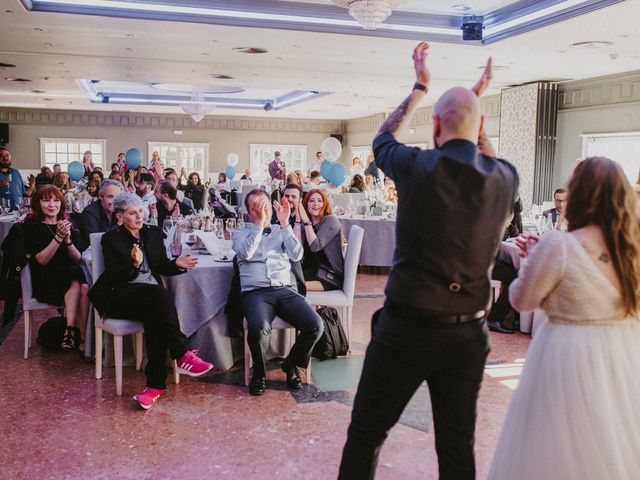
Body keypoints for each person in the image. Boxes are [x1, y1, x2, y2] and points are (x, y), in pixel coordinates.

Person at [338, 42, 517, 480]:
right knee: (456, 447)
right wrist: (473, 107)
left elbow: (382, 138)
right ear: (481, 128)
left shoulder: (416, 166)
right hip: (469, 335)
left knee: (366, 434)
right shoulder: (505, 177)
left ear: (435, 123)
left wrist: (420, 86)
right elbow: (488, 158)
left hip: (407, 330)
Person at [488, 156, 640, 479]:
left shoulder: (560, 245)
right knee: (610, 440)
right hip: (621, 354)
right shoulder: (632, 251)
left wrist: (531, 261)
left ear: (579, 196)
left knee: (555, 445)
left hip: (566, 355)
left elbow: (521, 299)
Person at [90, 192, 213, 410]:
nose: (139, 217)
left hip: (147, 298)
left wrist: (177, 264)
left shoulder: (153, 234)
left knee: (154, 314)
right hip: (118, 295)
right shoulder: (112, 239)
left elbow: (161, 267)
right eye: (131, 213)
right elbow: (115, 276)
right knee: (157, 295)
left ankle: (154, 387)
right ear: (119, 217)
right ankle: (182, 353)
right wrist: (134, 264)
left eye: (140, 211)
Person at [232, 189, 323, 396]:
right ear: (248, 212)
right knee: (258, 327)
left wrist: (284, 225)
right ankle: (259, 374)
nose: (261, 209)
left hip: (284, 289)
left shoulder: (281, 229)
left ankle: (291, 364)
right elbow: (245, 252)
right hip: (255, 293)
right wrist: (258, 226)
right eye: (255, 206)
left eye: (264, 205)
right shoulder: (240, 233)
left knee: (315, 325)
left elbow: (297, 254)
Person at [23, 185, 89, 352]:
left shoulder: (66, 225)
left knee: (83, 285)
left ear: (61, 204)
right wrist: (58, 237)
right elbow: (42, 260)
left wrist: (67, 240)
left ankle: (75, 335)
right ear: (38, 204)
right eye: (46, 200)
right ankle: (81, 339)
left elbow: (78, 258)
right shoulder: (33, 226)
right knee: (79, 280)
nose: (52, 204)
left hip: (69, 279)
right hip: (46, 281)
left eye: (55, 200)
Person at [295, 188, 344, 292]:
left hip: (328, 277)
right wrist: (298, 221)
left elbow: (315, 246)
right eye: (311, 200)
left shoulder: (331, 220)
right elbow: (297, 249)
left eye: (320, 200)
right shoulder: (307, 224)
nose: (315, 204)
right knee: (283, 279)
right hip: (310, 271)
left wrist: (306, 221)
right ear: (305, 205)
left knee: (291, 286)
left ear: (325, 203)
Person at [77, 179, 122, 251]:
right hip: (90, 254)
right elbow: (98, 241)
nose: (114, 201)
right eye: (110, 196)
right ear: (101, 196)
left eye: (117, 197)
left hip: (110, 251)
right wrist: (118, 224)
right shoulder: (89, 213)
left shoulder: (118, 211)